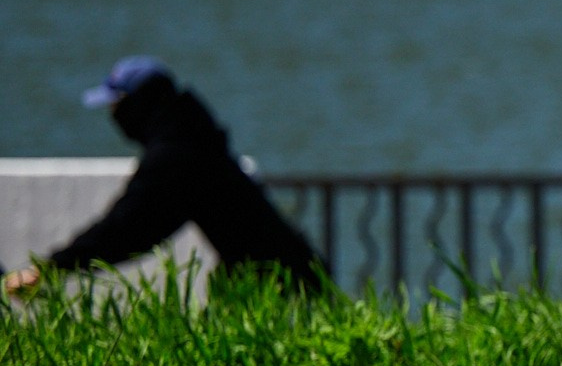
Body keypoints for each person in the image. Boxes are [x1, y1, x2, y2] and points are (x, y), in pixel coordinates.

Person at [3, 56, 328, 298]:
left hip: (283, 290)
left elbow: (127, 229)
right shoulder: (196, 140)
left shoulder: (177, 157)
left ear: (140, 104)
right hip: (285, 277)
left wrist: (49, 269)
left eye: (118, 106)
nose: (114, 117)